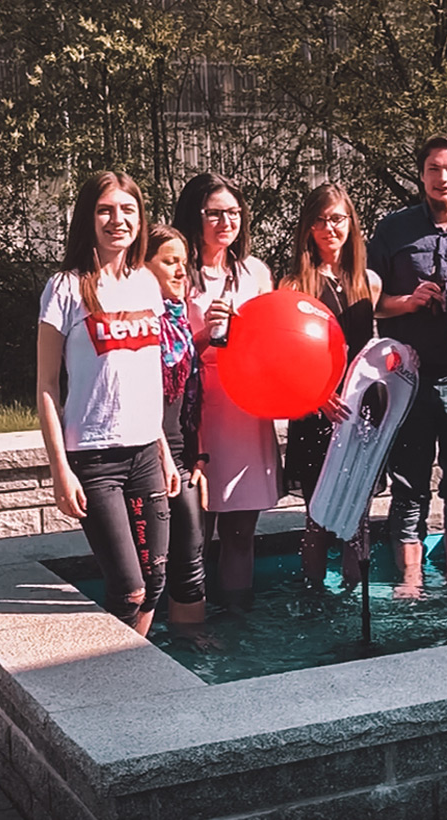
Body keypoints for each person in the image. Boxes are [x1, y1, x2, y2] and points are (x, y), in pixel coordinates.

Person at [36, 171, 181, 636]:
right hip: (95, 457)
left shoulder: (146, 284)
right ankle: (107, 680)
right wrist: (60, 471)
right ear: (87, 218)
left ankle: (135, 673)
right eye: (105, 209)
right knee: (128, 588)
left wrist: (162, 451)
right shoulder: (65, 288)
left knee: (157, 581)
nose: (117, 220)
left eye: (127, 210)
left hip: (145, 454)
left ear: (140, 219)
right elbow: (45, 386)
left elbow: (145, 377)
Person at [369, 134, 447, 594]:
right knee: (409, 483)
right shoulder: (393, 231)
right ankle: (410, 579)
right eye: (433, 169)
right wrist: (406, 302)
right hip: (408, 378)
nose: (443, 178)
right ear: (421, 175)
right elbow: (370, 303)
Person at [172, 172, 279, 607]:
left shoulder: (254, 271)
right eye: (214, 213)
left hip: (247, 410)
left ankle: (239, 619)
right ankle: (189, 620)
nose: (225, 222)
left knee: (241, 530)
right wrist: (207, 335)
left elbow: (276, 341)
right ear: (194, 216)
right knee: (195, 529)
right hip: (201, 409)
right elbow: (165, 352)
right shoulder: (178, 270)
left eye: (233, 213)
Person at [281, 183, 382, 587]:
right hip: (317, 412)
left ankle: (356, 597)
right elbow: (286, 359)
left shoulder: (368, 281)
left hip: (360, 415)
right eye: (320, 220)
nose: (329, 228)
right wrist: (319, 397)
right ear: (308, 228)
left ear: (351, 224)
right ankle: (314, 601)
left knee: (357, 517)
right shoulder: (293, 285)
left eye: (337, 218)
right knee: (318, 516)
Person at [144, 223, 209, 625]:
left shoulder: (179, 323)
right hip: (148, 454)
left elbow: (190, 397)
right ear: (143, 266)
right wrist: (165, 456)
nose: (182, 272)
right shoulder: (139, 323)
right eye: (169, 262)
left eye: (184, 262)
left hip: (181, 454)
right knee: (151, 571)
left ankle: (191, 648)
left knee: (191, 557)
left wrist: (197, 453)